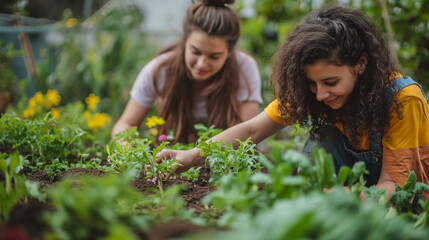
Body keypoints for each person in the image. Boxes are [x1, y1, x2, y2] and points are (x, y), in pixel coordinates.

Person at [157, 5, 429, 200]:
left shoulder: (403, 100)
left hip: (399, 200)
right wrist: (190, 157)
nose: (320, 94)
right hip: (346, 197)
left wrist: (351, 197)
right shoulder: (316, 95)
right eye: (312, 83)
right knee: (324, 136)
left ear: (361, 64)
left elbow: (396, 187)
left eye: (331, 82)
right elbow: (252, 130)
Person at [111, 0, 263, 144]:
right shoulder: (160, 69)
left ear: (229, 52)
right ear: (185, 43)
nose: (202, 64)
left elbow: (245, 134)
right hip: (171, 158)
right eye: (195, 52)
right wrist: (133, 155)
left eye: (214, 56)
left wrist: (196, 157)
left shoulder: (244, 69)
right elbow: (125, 124)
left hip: (224, 161)